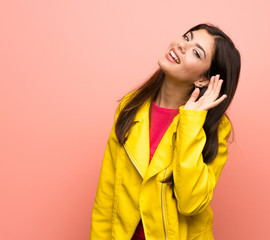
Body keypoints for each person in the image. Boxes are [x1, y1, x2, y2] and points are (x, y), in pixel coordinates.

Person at [90, 23, 241, 240]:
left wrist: (191, 121)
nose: (182, 45)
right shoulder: (129, 107)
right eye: (186, 37)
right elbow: (106, 196)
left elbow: (191, 202)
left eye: (196, 52)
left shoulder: (215, 128)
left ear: (203, 79)